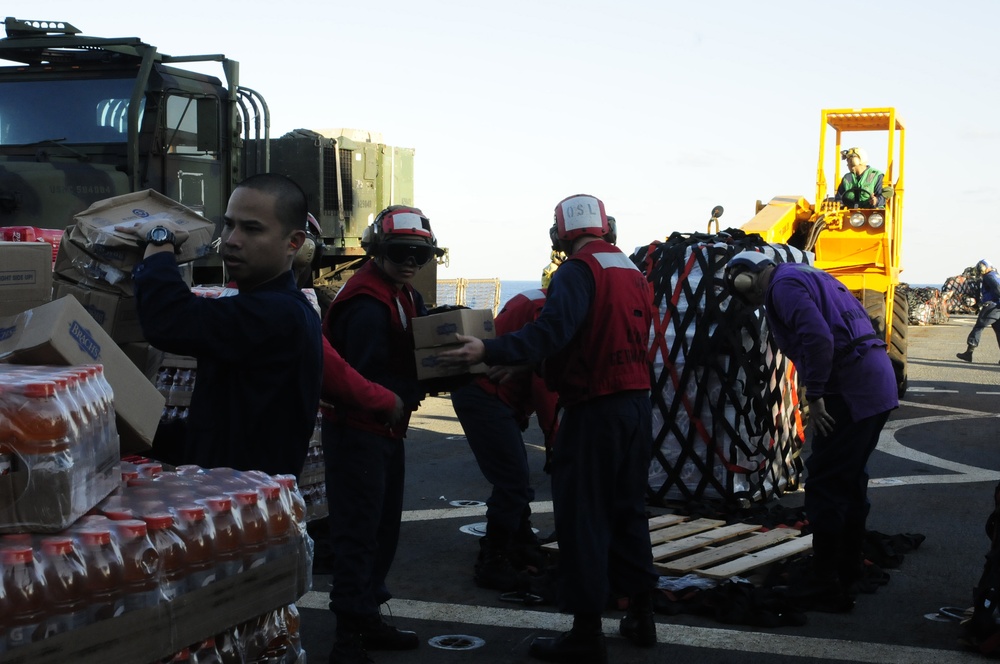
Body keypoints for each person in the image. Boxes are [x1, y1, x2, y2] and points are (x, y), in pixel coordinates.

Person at [437, 194, 658, 664]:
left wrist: (489, 351)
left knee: (585, 521)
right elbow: (605, 336)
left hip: (595, 408)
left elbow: (554, 331)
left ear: (560, 234)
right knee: (629, 513)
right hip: (636, 406)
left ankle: (585, 633)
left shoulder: (578, 272)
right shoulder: (633, 274)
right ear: (607, 228)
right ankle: (641, 614)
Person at [724, 251, 899, 611]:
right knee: (849, 479)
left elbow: (818, 338)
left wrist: (815, 395)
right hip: (874, 381)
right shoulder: (807, 274)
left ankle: (825, 582)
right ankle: (847, 570)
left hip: (851, 390)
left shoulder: (782, 287)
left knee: (825, 483)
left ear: (746, 277)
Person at [125, 173, 322, 477]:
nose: (232, 240)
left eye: (252, 229)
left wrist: (159, 241)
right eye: (229, 224)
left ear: (293, 243)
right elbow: (219, 429)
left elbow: (168, 320)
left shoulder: (279, 313)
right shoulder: (263, 307)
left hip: (248, 512)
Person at [322, 205, 443, 664]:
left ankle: (366, 615)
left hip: (384, 432)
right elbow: (366, 377)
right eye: (401, 252)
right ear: (378, 251)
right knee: (359, 533)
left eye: (419, 254)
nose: (411, 261)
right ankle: (347, 637)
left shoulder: (401, 294)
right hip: (360, 433)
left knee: (382, 530)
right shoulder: (369, 304)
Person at [450, 288, 559, 591]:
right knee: (513, 481)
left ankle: (521, 538)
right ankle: (493, 559)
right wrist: (554, 443)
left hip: (494, 396)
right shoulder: (548, 311)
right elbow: (544, 386)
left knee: (515, 475)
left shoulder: (539, 300)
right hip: (485, 395)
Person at [957, 259, 1000, 363]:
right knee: (999, 331)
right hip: (998, 307)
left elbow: (998, 289)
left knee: (979, 327)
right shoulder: (995, 275)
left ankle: (968, 353)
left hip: (992, 307)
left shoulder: (989, 277)